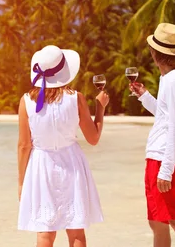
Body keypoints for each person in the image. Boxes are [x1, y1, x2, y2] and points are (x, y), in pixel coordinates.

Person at [17, 45, 108, 247]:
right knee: (76, 233)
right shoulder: (76, 98)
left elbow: (24, 145)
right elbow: (93, 138)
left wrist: (22, 181)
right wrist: (100, 109)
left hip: (41, 166)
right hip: (72, 164)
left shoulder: (26, 101)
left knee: (45, 233)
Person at [129, 23, 175, 247]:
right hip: (162, 158)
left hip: (166, 160)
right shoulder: (171, 80)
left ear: (154, 53)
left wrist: (166, 170)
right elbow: (166, 117)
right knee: (158, 221)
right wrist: (145, 96)